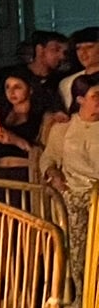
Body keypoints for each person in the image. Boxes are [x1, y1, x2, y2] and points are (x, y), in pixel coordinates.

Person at [40, 77, 99, 296]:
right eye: (95, 96)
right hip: (74, 197)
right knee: (77, 254)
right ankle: (81, 301)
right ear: (80, 99)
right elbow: (48, 159)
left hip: (98, 197)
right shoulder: (63, 129)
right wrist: (54, 175)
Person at [0, 68, 48, 182]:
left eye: (17, 87)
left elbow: (47, 153)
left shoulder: (41, 116)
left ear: (30, 89)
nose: (11, 92)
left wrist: (14, 140)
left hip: (25, 173)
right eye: (7, 87)